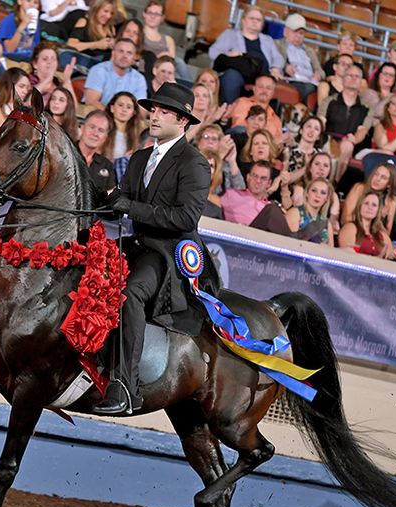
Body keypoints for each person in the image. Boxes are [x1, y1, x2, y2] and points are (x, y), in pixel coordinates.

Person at [92, 83, 211, 415]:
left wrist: (130, 206)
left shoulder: (194, 163)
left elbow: (185, 216)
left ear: (183, 120)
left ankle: (126, 387)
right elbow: (123, 203)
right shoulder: (141, 157)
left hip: (167, 253)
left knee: (130, 294)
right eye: (154, 109)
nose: (154, 115)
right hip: (137, 245)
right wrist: (105, 201)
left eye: (163, 111)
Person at [208, 7, 284, 104]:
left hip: (261, 74)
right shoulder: (230, 34)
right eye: (251, 18)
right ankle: (229, 111)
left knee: (271, 84)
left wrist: (275, 68)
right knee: (232, 76)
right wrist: (229, 54)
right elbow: (213, 52)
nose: (255, 22)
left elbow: (278, 58)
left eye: (258, 20)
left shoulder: (268, 40)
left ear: (262, 24)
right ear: (243, 21)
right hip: (239, 73)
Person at [317, 64, 373, 181]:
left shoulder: (366, 107)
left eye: (357, 76)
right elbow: (321, 121)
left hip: (351, 144)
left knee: (347, 146)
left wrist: (354, 139)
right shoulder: (329, 101)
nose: (353, 78)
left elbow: (363, 130)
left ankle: (333, 183)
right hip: (328, 140)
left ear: (360, 82)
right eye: (349, 75)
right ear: (343, 79)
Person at [285, 151, 340, 233]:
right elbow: (301, 217)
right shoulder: (300, 189)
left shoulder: (333, 195)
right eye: (317, 164)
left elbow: (333, 222)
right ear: (310, 168)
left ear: (329, 171)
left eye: (325, 165)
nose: (321, 168)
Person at [83, 38, 146, 108]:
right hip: (99, 115)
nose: (125, 56)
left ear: (134, 57)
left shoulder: (139, 79)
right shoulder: (99, 70)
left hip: (127, 118)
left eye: (129, 53)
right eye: (121, 51)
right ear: (113, 53)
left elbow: (142, 109)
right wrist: (113, 117)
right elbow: (91, 102)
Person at [275, 13, 322, 104]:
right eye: (294, 32)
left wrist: (318, 74)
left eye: (301, 33)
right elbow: (273, 61)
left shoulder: (309, 51)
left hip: (310, 81)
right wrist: (285, 67)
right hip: (291, 80)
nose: (298, 36)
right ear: (286, 32)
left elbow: (320, 70)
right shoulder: (277, 45)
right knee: (307, 89)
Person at [341, 161, 396, 235]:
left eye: (383, 178)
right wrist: (375, 215)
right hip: (353, 232)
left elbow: (386, 234)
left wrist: (377, 221)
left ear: (389, 184)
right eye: (376, 174)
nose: (377, 179)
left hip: (374, 238)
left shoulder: (391, 202)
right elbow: (345, 219)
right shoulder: (359, 189)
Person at [225, 73, 284, 142]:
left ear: (273, 92)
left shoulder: (276, 119)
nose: (264, 91)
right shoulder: (242, 103)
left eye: (268, 88)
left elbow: (278, 143)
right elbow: (239, 128)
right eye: (261, 87)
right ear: (254, 89)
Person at [338, 189, 394, 258]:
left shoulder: (382, 235)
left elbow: (390, 256)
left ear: (378, 210)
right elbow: (347, 255)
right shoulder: (350, 227)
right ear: (359, 206)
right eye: (366, 203)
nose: (369, 207)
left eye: (374, 205)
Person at [0, 67, 32, 135]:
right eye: (21, 86)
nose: (25, 91)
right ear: (8, 85)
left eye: (27, 88)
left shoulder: (20, 109)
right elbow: (2, 134)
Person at [220, 160, 273, 225]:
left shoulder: (270, 210)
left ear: (269, 183)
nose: (258, 181)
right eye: (255, 176)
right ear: (248, 177)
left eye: (263, 178)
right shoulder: (231, 195)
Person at [284, 177, 334, 245]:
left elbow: (331, 251)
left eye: (323, 193)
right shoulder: (295, 213)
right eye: (314, 190)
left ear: (327, 199)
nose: (318, 195)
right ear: (307, 193)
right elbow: (289, 243)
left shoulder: (327, 223)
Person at [66, 0, 116, 67]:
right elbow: (71, 44)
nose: (108, 16)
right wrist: (96, 44)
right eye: (105, 11)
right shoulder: (84, 22)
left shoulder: (111, 29)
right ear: (96, 9)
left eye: (111, 13)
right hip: (85, 64)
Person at [78, 109, 116, 193]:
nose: (95, 133)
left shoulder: (107, 165)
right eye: (92, 127)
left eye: (101, 130)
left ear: (106, 137)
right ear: (82, 128)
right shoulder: (65, 155)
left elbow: (109, 196)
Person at [105, 91, 143, 161]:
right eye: (120, 105)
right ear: (112, 108)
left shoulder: (137, 136)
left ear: (133, 113)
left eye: (128, 107)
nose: (124, 110)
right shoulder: (103, 131)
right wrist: (121, 160)